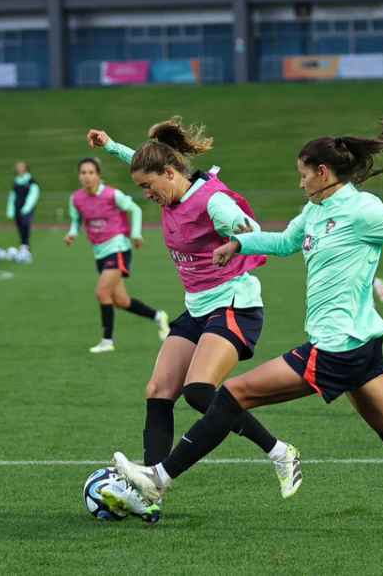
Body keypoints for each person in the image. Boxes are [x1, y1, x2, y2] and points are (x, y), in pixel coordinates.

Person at [108, 123, 383, 537]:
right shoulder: (315, 210)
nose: (300, 182)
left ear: (323, 173)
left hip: (337, 347)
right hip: (358, 346)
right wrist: (240, 244)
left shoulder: (362, 210)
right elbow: (287, 242)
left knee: (233, 396)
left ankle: (159, 478)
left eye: (304, 174)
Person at [87, 118, 300, 521]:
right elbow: (141, 159)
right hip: (200, 307)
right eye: (141, 189)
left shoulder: (212, 201)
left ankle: (280, 452)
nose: (147, 195)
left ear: (170, 173)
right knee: (158, 391)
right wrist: (111, 145)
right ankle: (150, 493)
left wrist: (238, 235)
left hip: (236, 305)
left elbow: (250, 228)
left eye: (149, 187)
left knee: (199, 392)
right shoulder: (168, 183)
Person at [65, 156, 169, 354]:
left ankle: (107, 341)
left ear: (98, 175)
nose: (87, 177)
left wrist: (136, 234)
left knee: (102, 292)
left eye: (91, 172)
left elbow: (135, 209)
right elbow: (76, 219)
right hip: (99, 252)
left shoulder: (113, 195)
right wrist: (72, 233)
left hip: (118, 248)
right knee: (121, 300)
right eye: (83, 173)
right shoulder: (76, 198)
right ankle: (158, 316)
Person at [6, 161, 41, 260]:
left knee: (26, 225)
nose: (19, 169)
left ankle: (26, 247)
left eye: (21, 167)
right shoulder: (16, 181)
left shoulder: (31, 181)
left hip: (26, 209)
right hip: (17, 208)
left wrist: (26, 208)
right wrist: (10, 209)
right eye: (18, 167)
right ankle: (23, 246)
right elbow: (12, 196)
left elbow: (34, 194)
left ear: (26, 168)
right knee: (19, 227)